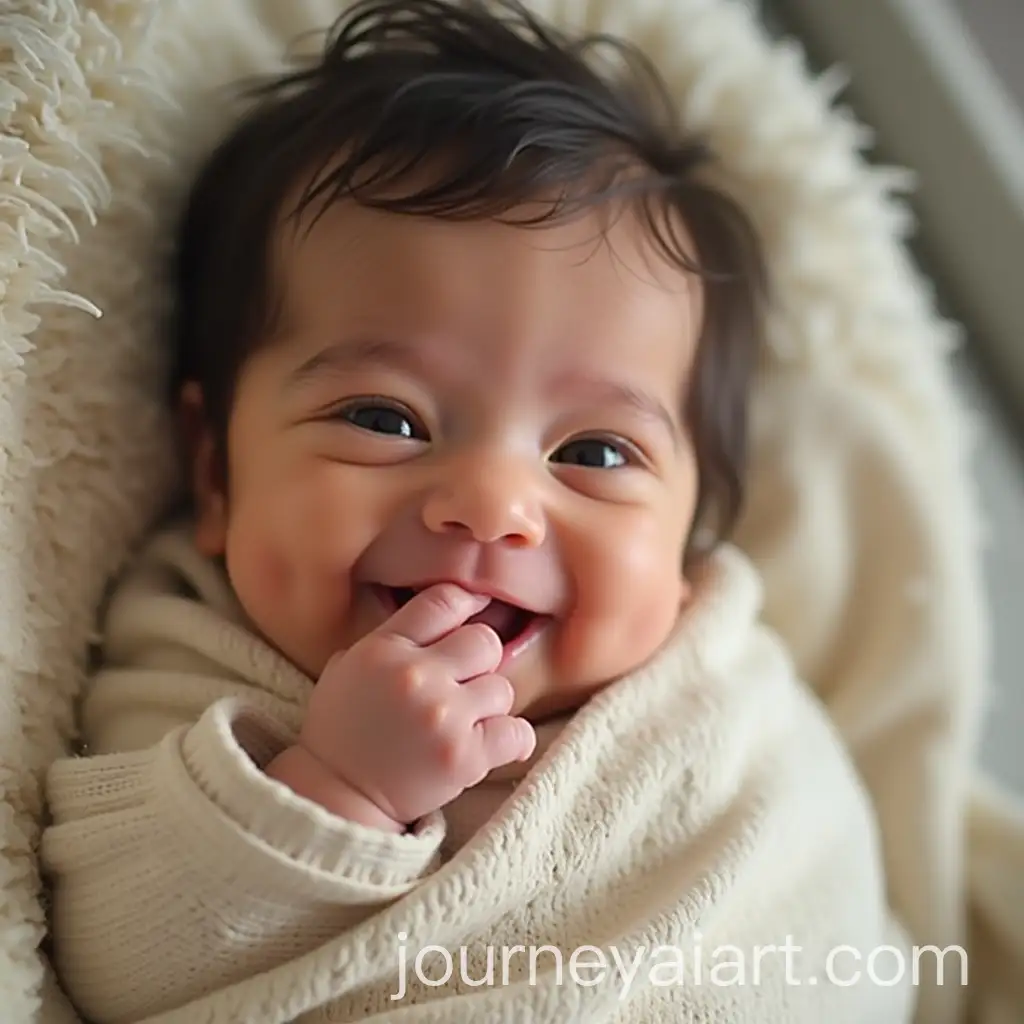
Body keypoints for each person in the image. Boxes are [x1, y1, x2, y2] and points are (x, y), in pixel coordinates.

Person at [41, 1, 913, 1020]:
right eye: (385, 417)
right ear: (217, 472)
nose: (494, 508)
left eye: (593, 451)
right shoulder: (199, 663)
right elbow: (119, 959)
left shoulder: (724, 704)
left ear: (687, 539)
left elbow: (828, 915)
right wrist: (340, 788)